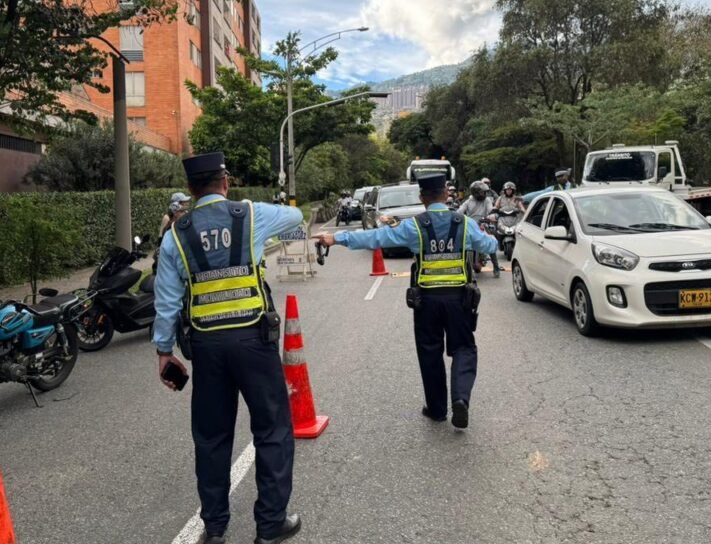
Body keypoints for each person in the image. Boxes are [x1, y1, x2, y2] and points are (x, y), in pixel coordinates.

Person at [154, 152, 304, 544]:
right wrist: (254, 208)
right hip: (254, 340)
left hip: (206, 345)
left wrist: (164, 351)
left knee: (211, 437)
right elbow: (296, 216)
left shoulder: (176, 234)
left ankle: (215, 528)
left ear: (190, 189)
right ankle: (270, 525)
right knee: (272, 428)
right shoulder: (250, 215)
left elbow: (167, 302)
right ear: (225, 181)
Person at [314, 173, 498, 430]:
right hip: (459, 299)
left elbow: (376, 237)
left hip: (427, 301)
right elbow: (490, 246)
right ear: (447, 195)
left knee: (430, 352)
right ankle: (460, 399)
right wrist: (489, 237)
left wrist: (336, 238)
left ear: (422, 198)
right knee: (464, 348)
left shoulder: (414, 226)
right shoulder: (464, 223)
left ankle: (437, 409)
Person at [458, 181, 501, 278]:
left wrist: (492, 215)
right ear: (475, 192)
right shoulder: (468, 201)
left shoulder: (487, 201)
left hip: (483, 224)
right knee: (464, 244)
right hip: (470, 226)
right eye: (482, 192)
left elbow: (490, 210)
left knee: (490, 242)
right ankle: (464, 268)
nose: (484, 194)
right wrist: (457, 216)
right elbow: (460, 211)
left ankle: (496, 267)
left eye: (485, 192)